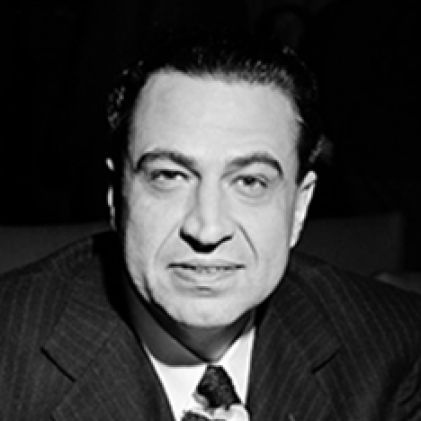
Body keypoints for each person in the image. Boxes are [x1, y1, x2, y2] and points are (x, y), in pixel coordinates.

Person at [1, 32, 420, 421]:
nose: (207, 230)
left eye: (250, 182)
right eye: (169, 176)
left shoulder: (396, 347)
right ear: (116, 195)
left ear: (299, 206)